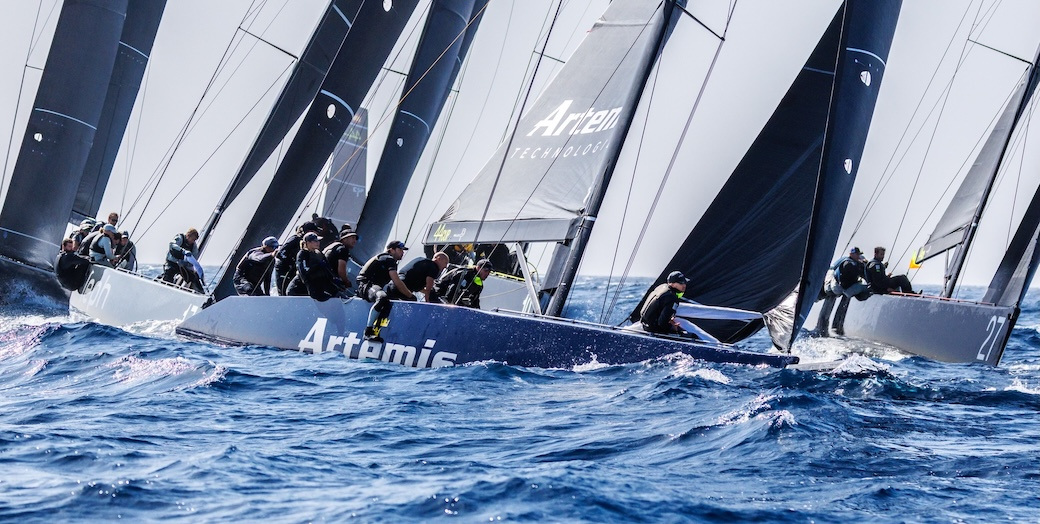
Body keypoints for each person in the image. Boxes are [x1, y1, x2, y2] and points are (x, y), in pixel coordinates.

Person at [357, 240, 411, 340]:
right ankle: (368, 332)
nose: (402, 252)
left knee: (389, 303)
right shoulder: (388, 258)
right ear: (391, 250)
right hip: (366, 286)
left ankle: (382, 331)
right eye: (400, 249)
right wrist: (410, 296)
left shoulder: (390, 260)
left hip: (374, 287)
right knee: (382, 297)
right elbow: (396, 281)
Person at [814, 247, 872, 336]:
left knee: (844, 297)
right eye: (857, 254)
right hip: (834, 284)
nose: (858, 256)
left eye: (859, 255)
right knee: (832, 299)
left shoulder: (853, 262)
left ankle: (835, 327)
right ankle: (822, 329)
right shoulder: (848, 263)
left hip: (837, 285)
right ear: (851, 254)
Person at [286, 232, 342, 300]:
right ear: (308, 243)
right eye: (315, 241)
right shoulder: (302, 254)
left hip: (313, 288)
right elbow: (304, 273)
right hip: (298, 290)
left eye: (318, 241)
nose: (318, 243)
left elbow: (327, 269)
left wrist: (334, 279)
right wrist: (317, 266)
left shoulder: (318, 254)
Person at [274, 221, 319, 295]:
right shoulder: (295, 239)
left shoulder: (307, 245)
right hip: (284, 269)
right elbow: (280, 254)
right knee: (283, 292)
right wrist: (290, 263)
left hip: (293, 269)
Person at [639, 270, 687, 335]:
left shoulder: (661, 287)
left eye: (685, 282)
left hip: (644, 324)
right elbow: (662, 323)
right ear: (672, 284)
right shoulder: (672, 298)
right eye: (681, 283)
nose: (684, 285)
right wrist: (673, 327)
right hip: (653, 329)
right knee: (691, 336)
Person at [162, 228, 204, 293]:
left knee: (193, 277)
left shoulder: (193, 245)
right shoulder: (180, 237)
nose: (193, 241)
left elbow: (194, 257)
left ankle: (201, 293)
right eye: (193, 239)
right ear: (188, 236)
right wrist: (183, 251)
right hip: (172, 263)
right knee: (168, 277)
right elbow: (172, 245)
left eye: (194, 240)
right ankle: (165, 291)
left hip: (182, 266)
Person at [322, 224, 358, 292]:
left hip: (323, 278)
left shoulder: (334, 245)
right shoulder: (343, 249)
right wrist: (346, 281)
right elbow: (341, 270)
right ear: (345, 239)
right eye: (352, 238)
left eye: (355, 238)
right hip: (328, 281)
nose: (355, 241)